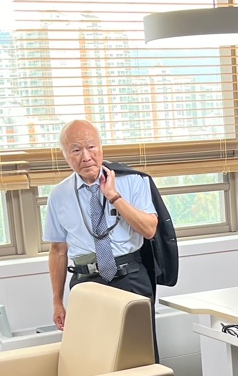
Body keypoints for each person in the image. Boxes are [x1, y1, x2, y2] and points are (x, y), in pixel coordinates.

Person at [45, 119, 159, 331]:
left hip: (130, 276)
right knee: (93, 349)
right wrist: (57, 301)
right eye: (76, 150)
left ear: (100, 147)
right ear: (65, 156)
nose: (86, 157)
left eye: (91, 147)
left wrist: (114, 196)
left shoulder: (133, 180)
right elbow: (58, 251)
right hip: (86, 282)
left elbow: (149, 230)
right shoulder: (58, 195)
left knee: (138, 348)